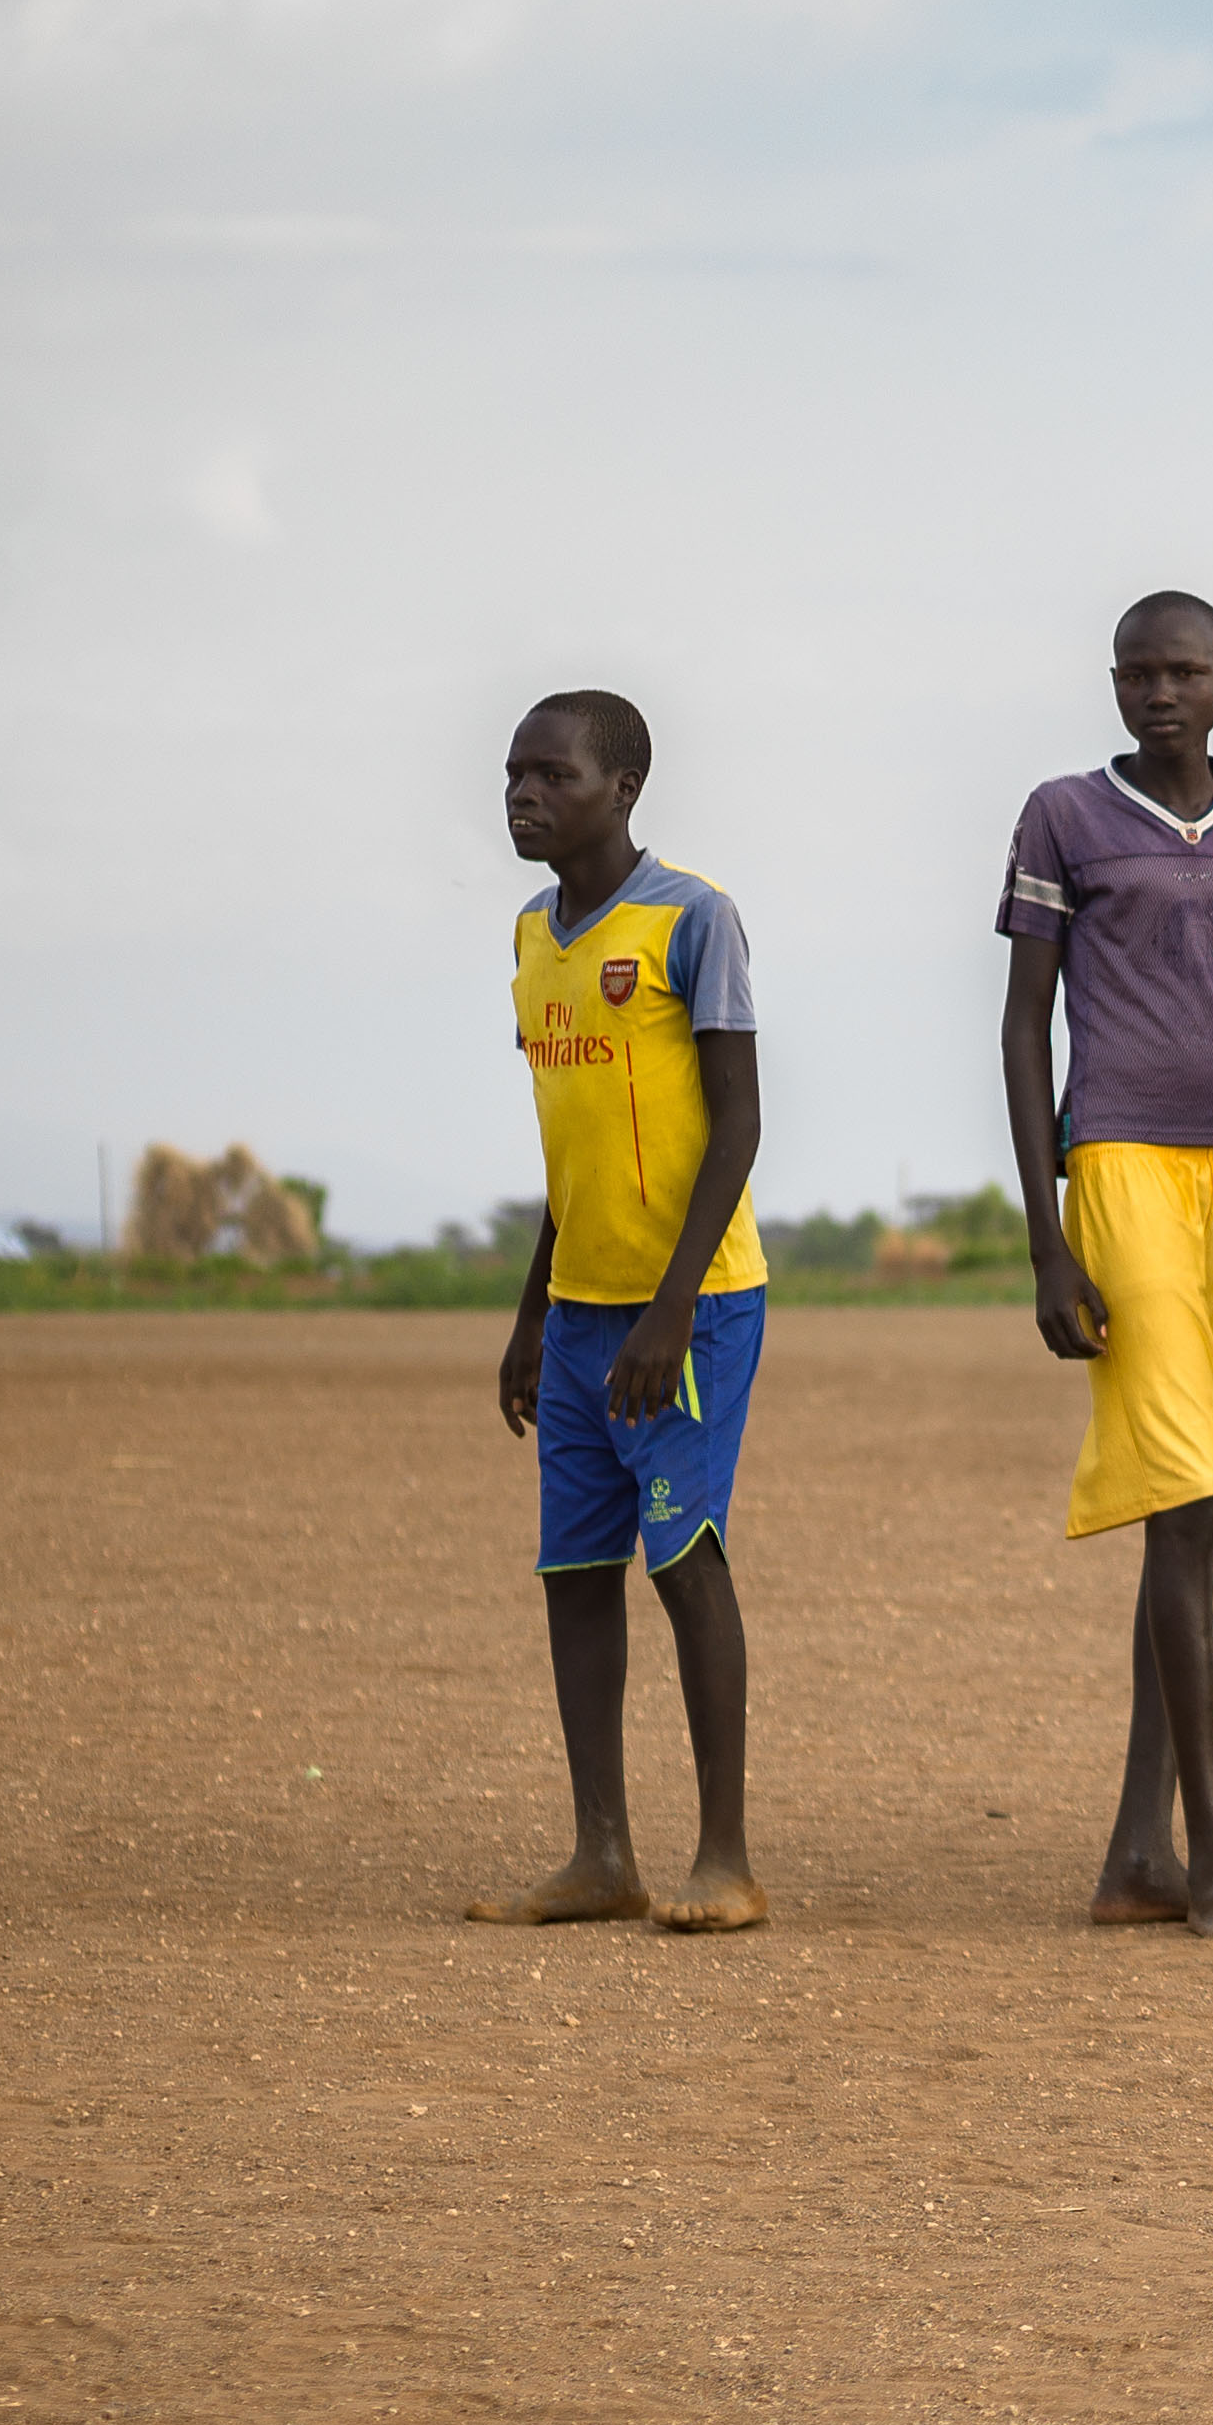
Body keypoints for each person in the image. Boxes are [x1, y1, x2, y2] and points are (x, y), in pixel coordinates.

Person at [997, 592, 1213, 1944]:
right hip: (1120, 1166)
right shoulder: (1063, 816)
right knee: (1186, 1494)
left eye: (1182, 672)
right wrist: (1046, 1235)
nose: (1159, 693)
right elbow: (1024, 1025)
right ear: (1113, 684)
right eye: (1136, 673)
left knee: (1194, 1523)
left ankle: (1135, 1853)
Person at [481, 692, 774, 1934]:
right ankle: (601, 1854)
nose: (523, 794)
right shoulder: (528, 935)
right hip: (580, 1314)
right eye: (513, 774)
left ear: (625, 787)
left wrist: (669, 1308)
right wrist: (532, 1311)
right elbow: (573, 1149)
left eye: (552, 774)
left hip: (690, 1309)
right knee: (573, 1570)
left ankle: (725, 1859)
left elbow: (738, 1126)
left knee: (684, 1559)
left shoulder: (692, 919)